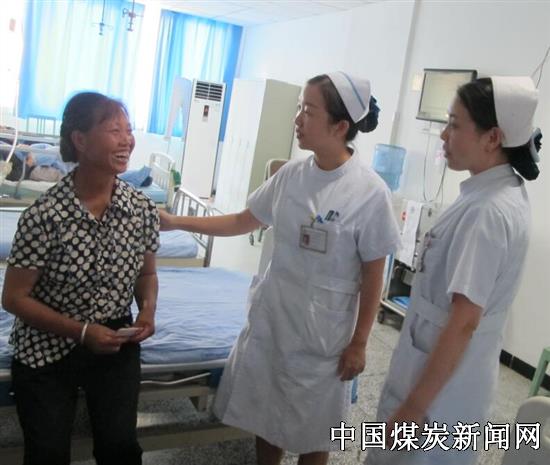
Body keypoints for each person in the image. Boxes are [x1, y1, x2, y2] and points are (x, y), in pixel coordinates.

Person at [160, 72, 401, 465]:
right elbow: (243, 220)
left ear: (340, 126)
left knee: (315, 429)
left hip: (324, 334)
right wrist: (177, 222)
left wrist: (360, 342)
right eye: (299, 108)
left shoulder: (370, 192)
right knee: (265, 415)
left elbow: (375, 274)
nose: (298, 119)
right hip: (274, 319)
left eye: (309, 111)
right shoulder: (291, 175)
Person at [367, 76, 542, 465]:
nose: (444, 135)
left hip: (436, 395)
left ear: (492, 138)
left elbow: (463, 322)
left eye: (454, 124)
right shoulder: (493, 194)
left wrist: (413, 408)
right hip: (449, 376)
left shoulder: (487, 212)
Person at [1, 92, 160, 465]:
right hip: (46, 345)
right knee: (48, 454)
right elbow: (14, 297)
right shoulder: (45, 215)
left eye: (129, 130)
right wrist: (82, 331)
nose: (127, 140)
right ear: (80, 140)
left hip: (114, 340)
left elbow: (147, 273)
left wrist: (147, 310)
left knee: (120, 449)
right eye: (114, 130)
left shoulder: (141, 210)